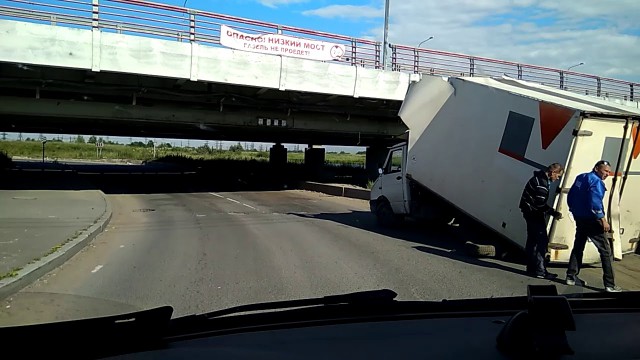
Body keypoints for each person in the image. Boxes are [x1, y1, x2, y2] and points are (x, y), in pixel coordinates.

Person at [566, 160, 622, 292]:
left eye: (609, 172)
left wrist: (573, 210)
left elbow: (571, 195)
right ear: (597, 168)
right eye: (605, 171)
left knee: (578, 246)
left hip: (580, 218)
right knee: (606, 252)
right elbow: (595, 202)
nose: (607, 174)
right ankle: (610, 284)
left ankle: (571, 276)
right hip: (591, 220)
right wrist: (603, 219)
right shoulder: (596, 182)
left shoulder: (581, 177)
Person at [519, 163, 564, 279]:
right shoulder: (542, 185)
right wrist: (554, 213)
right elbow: (540, 204)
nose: (557, 179)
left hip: (528, 212)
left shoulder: (537, 178)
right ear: (552, 172)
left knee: (532, 241)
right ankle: (540, 270)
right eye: (558, 176)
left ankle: (531, 268)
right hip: (534, 214)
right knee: (541, 242)